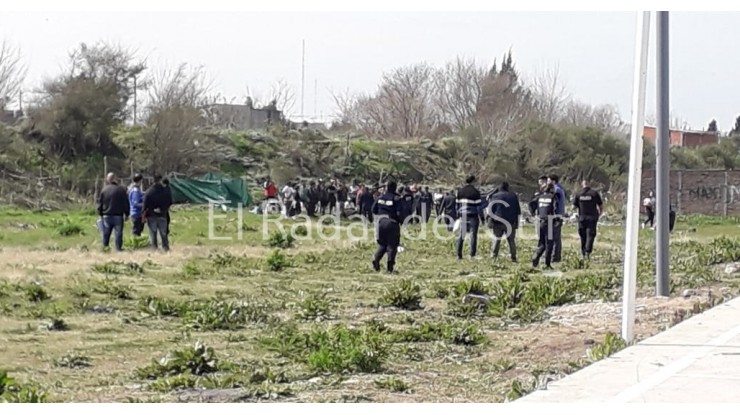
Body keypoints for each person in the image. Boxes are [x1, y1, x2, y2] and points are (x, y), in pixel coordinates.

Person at [371, 181, 409, 273]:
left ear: (386, 187)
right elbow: (400, 213)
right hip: (392, 223)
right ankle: (389, 267)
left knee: (382, 244)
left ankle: (376, 259)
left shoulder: (380, 197)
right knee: (392, 245)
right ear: (395, 188)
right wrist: (401, 221)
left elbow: (373, 210)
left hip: (381, 222)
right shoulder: (397, 199)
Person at [487, 182, 521, 262]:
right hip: (510, 222)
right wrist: (517, 223)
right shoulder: (513, 196)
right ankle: (513, 257)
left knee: (496, 239)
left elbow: (491, 210)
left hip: (498, 221)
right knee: (511, 240)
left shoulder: (495, 196)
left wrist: (490, 221)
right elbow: (518, 210)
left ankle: (494, 256)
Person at [530, 182, 559, 269]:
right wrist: (557, 219)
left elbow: (531, 204)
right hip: (549, 221)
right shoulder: (553, 197)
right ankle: (547, 264)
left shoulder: (539, 197)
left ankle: (536, 256)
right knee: (549, 243)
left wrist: (533, 213)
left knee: (542, 242)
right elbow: (555, 209)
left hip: (540, 221)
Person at [98, 173, 130, 252]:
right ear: (115, 179)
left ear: (108, 179)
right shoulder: (121, 190)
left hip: (107, 214)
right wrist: (127, 213)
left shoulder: (104, 190)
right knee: (118, 233)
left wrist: (100, 213)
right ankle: (118, 248)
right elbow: (125, 202)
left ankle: (105, 247)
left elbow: (100, 203)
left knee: (106, 232)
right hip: (118, 215)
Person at [573, 179, 603, 260]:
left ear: (582, 184)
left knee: (583, 235)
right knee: (590, 235)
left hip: (582, 218)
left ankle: (583, 252)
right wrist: (600, 213)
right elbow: (600, 205)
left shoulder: (578, 194)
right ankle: (587, 252)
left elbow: (574, 206)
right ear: (589, 184)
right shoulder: (594, 193)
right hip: (592, 217)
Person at [456, 175, 484, 260]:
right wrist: (482, 218)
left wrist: (458, 215)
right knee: (473, 235)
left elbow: (457, 205)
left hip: (463, 215)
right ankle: (472, 254)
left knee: (461, 234)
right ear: (473, 181)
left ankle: (459, 254)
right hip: (473, 215)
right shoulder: (476, 192)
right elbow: (479, 207)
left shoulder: (460, 191)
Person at [143, 174, 173, 252]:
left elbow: (145, 204)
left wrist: (144, 213)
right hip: (162, 215)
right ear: (160, 180)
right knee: (163, 233)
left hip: (151, 215)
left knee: (153, 233)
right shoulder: (165, 191)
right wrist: (163, 209)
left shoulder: (149, 192)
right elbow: (170, 201)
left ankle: (154, 248)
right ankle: (165, 247)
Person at [547, 174, 566, 263]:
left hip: (556, 216)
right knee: (555, 237)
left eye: (548, 181)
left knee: (555, 238)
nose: (547, 182)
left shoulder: (556, 190)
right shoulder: (560, 189)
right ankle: (554, 256)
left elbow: (555, 204)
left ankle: (555, 257)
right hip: (558, 216)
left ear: (553, 181)